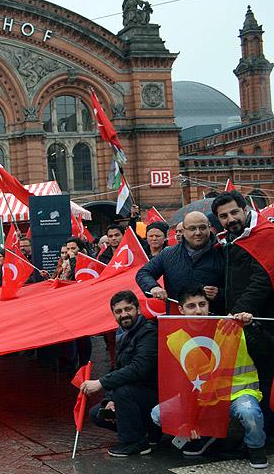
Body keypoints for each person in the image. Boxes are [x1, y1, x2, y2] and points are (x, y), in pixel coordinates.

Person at [149, 285, 267, 468]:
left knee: (250, 413)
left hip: (237, 394)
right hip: (201, 399)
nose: (198, 310)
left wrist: (251, 326)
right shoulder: (175, 339)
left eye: (202, 304)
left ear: (208, 304)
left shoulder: (229, 326)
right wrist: (189, 420)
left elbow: (265, 351)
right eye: (191, 306)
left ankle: (255, 447)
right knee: (158, 414)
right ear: (181, 310)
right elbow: (181, 383)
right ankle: (206, 434)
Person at [213, 190, 274, 430]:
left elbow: (262, 281)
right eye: (224, 216)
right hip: (240, 322)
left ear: (245, 209)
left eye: (234, 212)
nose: (230, 219)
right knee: (249, 378)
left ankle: (266, 432)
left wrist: (236, 313)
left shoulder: (265, 235)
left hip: (262, 322)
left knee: (265, 377)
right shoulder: (229, 240)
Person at [81, 290, 158, 457]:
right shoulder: (122, 334)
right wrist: (109, 399)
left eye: (128, 309)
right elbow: (118, 368)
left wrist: (101, 383)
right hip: (134, 395)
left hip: (154, 395)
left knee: (122, 392)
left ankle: (135, 443)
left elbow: (139, 368)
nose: (124, 314)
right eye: (118, 311)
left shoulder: (149, 332)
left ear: (138, 309)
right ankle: (148, 431)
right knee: (97, 413)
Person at [135, 211, 224, 312]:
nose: (198, 233)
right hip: (177, 317)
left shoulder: (223, 253)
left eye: (202, 227)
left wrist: (219, 294)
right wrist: (153, 287)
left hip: (213, 318)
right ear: (184, 231)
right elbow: (143, 273)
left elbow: (236, 289)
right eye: (192, 228)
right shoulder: (168, 254)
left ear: (209, 228)